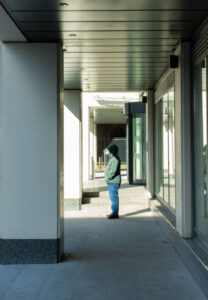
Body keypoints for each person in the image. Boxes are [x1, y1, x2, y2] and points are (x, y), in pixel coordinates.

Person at [104, 144, 121, 219]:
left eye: (110, 151)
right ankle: (114, 212)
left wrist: (107, 178)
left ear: (112, 151)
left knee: (114, 198)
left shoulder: (115, 159)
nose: (108, 152)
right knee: (113, 198)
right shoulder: (113, 158)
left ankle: (114, 213)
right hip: (112, 181)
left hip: (113, 181)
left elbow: (113, 171)